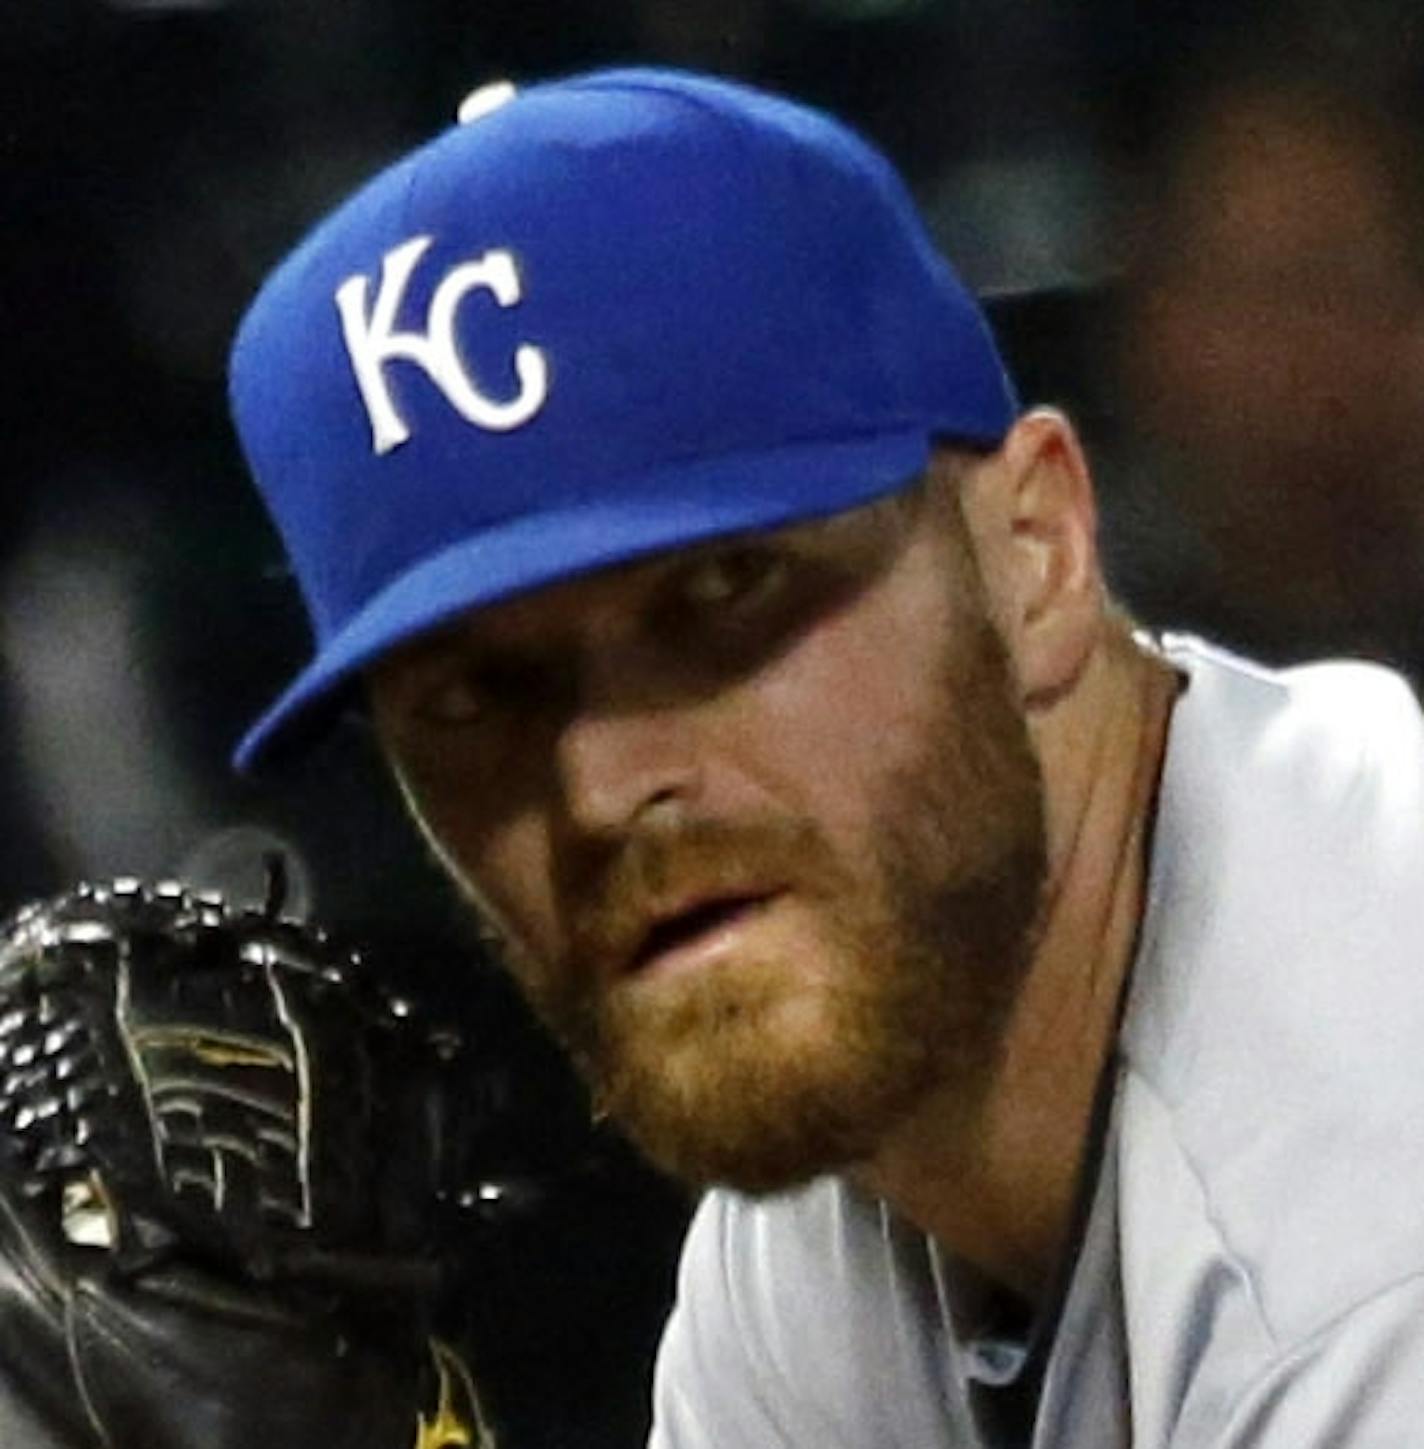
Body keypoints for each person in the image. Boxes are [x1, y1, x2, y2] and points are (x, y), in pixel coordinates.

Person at [226, 67, 1424, 1447]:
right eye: (474, 697)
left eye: (727, 589)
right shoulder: (847, 1188)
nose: (604, 790)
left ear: (1035, 555)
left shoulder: (1359, 1196)